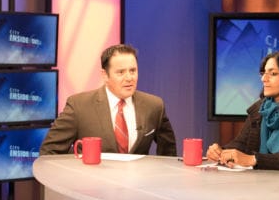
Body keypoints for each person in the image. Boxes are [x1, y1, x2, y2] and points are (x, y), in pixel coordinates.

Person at [39, 43, 176, 157]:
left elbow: (169, 154)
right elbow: (49, 152)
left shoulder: (154, 106)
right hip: (91, 187)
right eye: (121, 72)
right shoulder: (79, 106)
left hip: (137, 187)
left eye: (133, 71)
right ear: (105, 75)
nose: (129, 78)